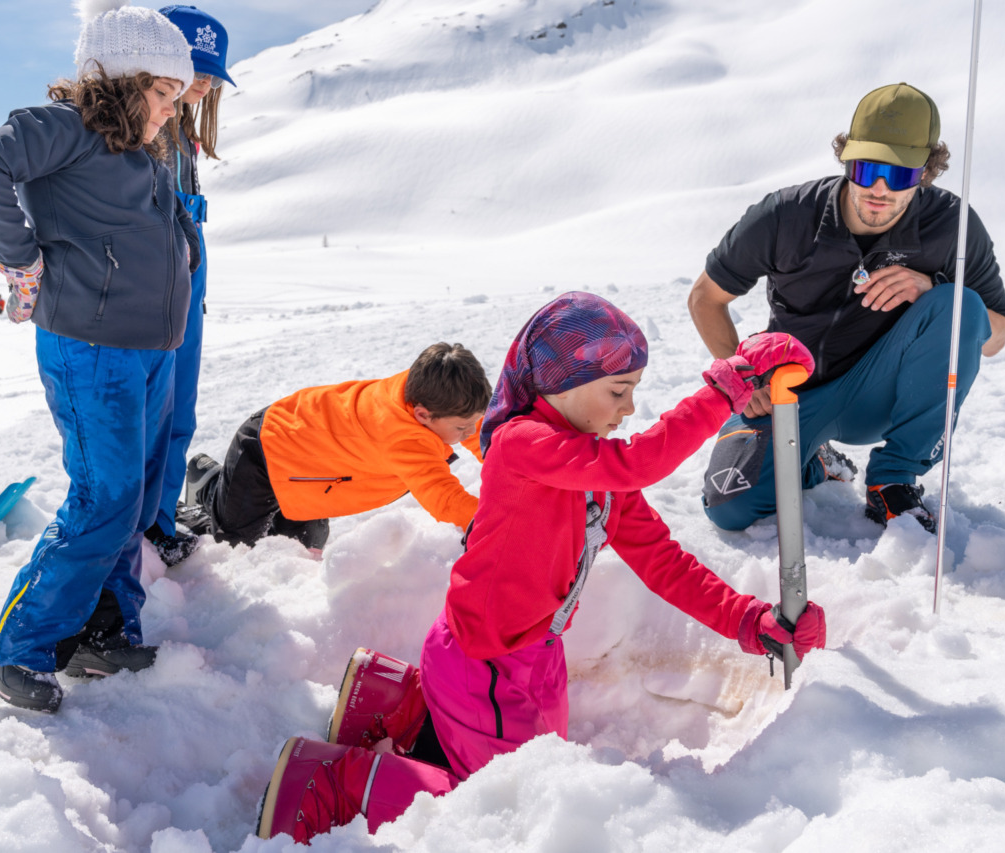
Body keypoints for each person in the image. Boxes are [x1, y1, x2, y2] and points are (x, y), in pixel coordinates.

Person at [254, 293, 827, 843]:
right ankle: (332, 784)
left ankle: (397, 706)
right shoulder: (521, 444)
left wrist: (748, 620)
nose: (630, 409)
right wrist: (730, 386)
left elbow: (663, 561)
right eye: (618, 391)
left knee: (538, 764)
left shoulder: (599, 473)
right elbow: (643, 462)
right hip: (487, 663)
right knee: (503, 802)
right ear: (564, 385)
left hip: (532, 655)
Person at [0, 0, 199, 713]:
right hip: (91, 349)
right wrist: (22, 258)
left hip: (149, 350)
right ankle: (18, 641)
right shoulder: (66, 127)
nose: (168, 113)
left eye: (176, 100)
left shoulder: (139, 151)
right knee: (104, 495)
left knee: (137, 495)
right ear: (123, 79)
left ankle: (100, 624)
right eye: (162, 95)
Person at [689, 83, 1005, 533]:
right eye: (866, 169)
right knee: (729, 507)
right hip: (788, 391)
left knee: (959, 304)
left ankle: (893, 481)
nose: (879, 189)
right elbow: (706, 298)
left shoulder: (952, 226)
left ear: (926, 172)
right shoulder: (785, 215)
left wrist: (930, 286)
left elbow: (995, 332)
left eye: (899, 175)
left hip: (879, 393)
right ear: (846, 159)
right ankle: (814, 462)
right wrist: (746, 378)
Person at [181, 342, 490, 554]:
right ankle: (194, 500)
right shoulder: (402, 435)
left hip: (307, 469)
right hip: (264, 452)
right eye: (461, 428)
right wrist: (497, 524)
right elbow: (445, 498)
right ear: (422, 415)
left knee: (302, 545)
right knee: (234, 549)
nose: (468, 432)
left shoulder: (431, 392)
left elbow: (480, 433)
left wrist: (511, 464)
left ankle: (222, 492)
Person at [142, 4, 237, 567]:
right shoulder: (145, 132)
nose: (203, 81)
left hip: (186, 280)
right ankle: (142, 525)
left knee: (179, 411)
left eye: (211, 72)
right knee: (151, 413)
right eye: (193, 66)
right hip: (155, 286)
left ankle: (157, 520)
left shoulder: (183, 137)